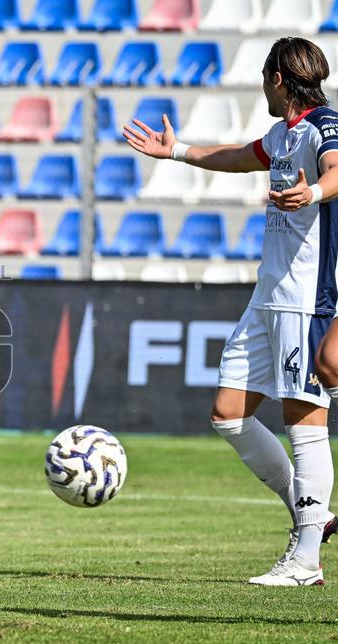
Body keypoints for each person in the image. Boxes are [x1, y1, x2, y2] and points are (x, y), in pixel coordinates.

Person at [125, 36, 337, 586]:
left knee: (304, 421)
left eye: (263, 76)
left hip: (303, 295)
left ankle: (306, 558)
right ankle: (311, 516)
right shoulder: (281, 134)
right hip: (266, 294)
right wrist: (176, 152)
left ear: (277, 79)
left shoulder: (324, 125)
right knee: (228, 414)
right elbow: (240, 158)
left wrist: (313, 193)